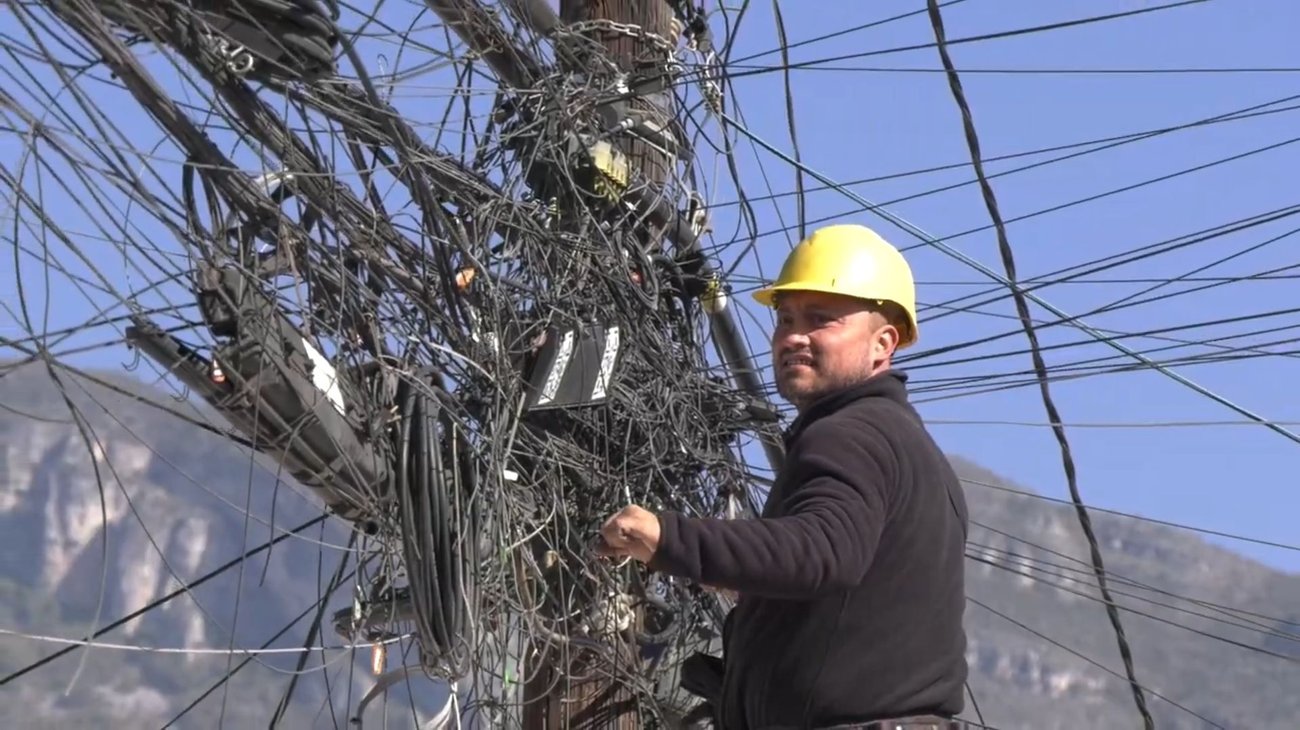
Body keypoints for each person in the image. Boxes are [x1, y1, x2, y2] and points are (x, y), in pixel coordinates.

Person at [598, 223, 971, 729]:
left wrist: (669, 538)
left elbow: (822, 550)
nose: (794, 335)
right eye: (786, 317)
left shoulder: (852, 434)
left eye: (821, 319)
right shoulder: (909, 449)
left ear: (883, 344)